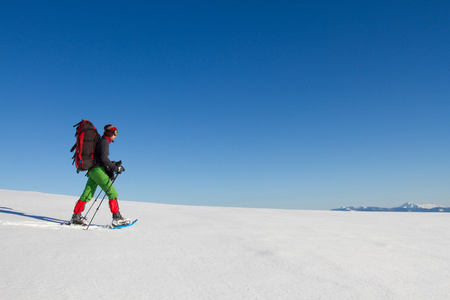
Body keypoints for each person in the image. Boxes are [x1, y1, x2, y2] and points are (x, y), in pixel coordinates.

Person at [70, 124, 131, 227]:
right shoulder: (104, 142)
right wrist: (115, 168)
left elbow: (101, 158)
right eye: (115, 133)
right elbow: (103, 158)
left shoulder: (101, 141)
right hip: (97, 170)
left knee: (87, 194)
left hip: (92, 171)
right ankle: (117, 218)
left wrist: (113, 164)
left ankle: (76, 217)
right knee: (112, 192)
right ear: (110, 133)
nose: (116, 136)